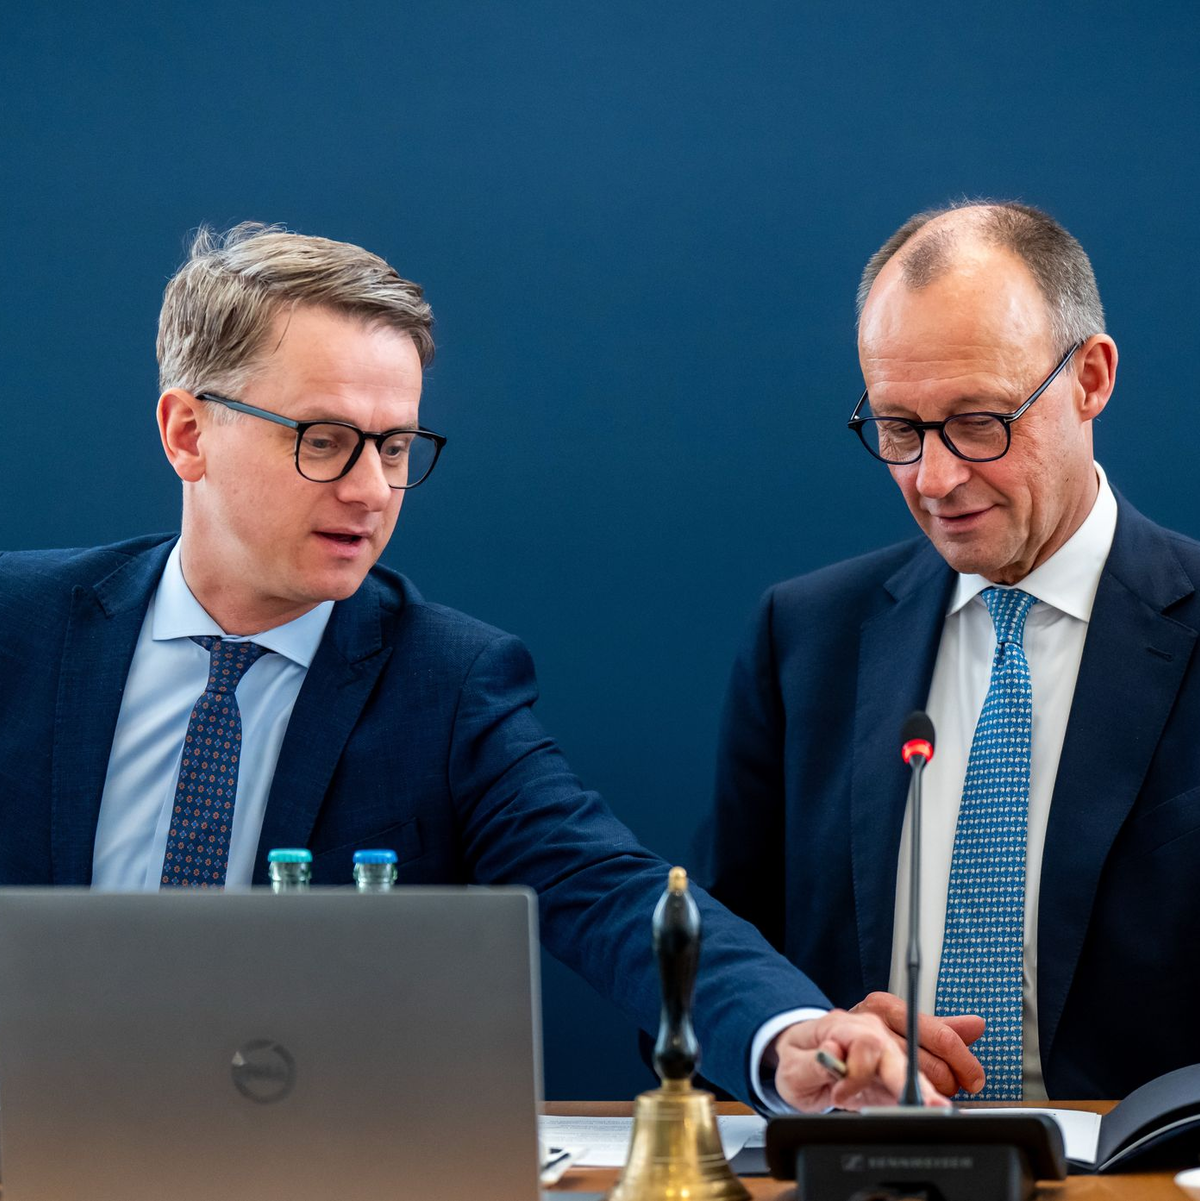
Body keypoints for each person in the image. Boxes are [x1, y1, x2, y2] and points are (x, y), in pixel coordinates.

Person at [0, 222, 962, 1113]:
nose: (372, 491)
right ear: (187, 432)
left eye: (394, 446)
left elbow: (610, 889)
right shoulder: (21, 629)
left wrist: (791, 1034)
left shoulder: (446, 684)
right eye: (325, 441)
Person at [699, 199, 1200, 1103]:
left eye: (980, 422)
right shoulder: (803, 637)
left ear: (1090, 378)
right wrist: (808, 1050)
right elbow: (714, 962)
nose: (934, 479)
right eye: (898, 429)